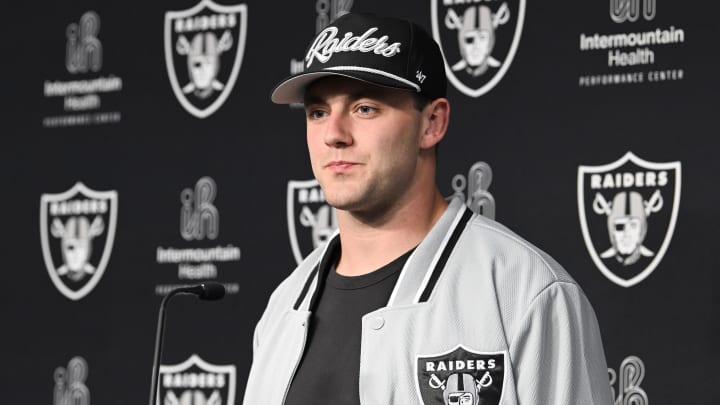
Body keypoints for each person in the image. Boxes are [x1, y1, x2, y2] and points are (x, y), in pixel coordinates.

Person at [242, 12, 612, 405]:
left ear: (432, 123)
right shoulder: (283, 307)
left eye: (364, 108)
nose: (333, 134)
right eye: (318, 112)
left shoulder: (527, 291)